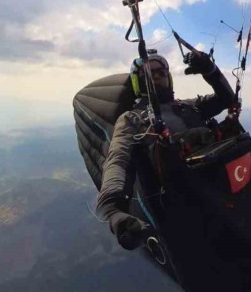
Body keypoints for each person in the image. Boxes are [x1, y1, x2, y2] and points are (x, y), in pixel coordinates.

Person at [96, 49, 235, 250]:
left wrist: (210, 70)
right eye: (149, 73)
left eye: (161, 72)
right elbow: (118, 160)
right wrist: (113, 209)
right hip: (185, 207)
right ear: (138, 81)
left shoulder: (189, 106)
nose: (157, 76)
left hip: (223, 187)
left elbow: (227, 99)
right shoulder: (132, 119)